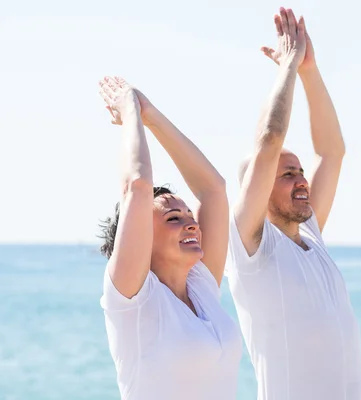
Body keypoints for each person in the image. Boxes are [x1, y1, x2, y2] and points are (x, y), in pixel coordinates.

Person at [227, 8, 361, 400]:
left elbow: (332, 152)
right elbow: (270, 140)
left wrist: (309, 71)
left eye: (300, 171)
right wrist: (287, 67)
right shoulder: (250, 249)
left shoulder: (310, 236)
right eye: (287, 174)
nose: (302, 180)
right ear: (257, 188)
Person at [97, 76, 241, 400]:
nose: (192, 225)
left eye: (190, 216)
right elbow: (137, 186)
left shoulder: (201, 286)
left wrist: (152, 116)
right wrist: (130, 113)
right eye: (174, 219)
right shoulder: (134, 299)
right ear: (140, 236)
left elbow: (213, 190)